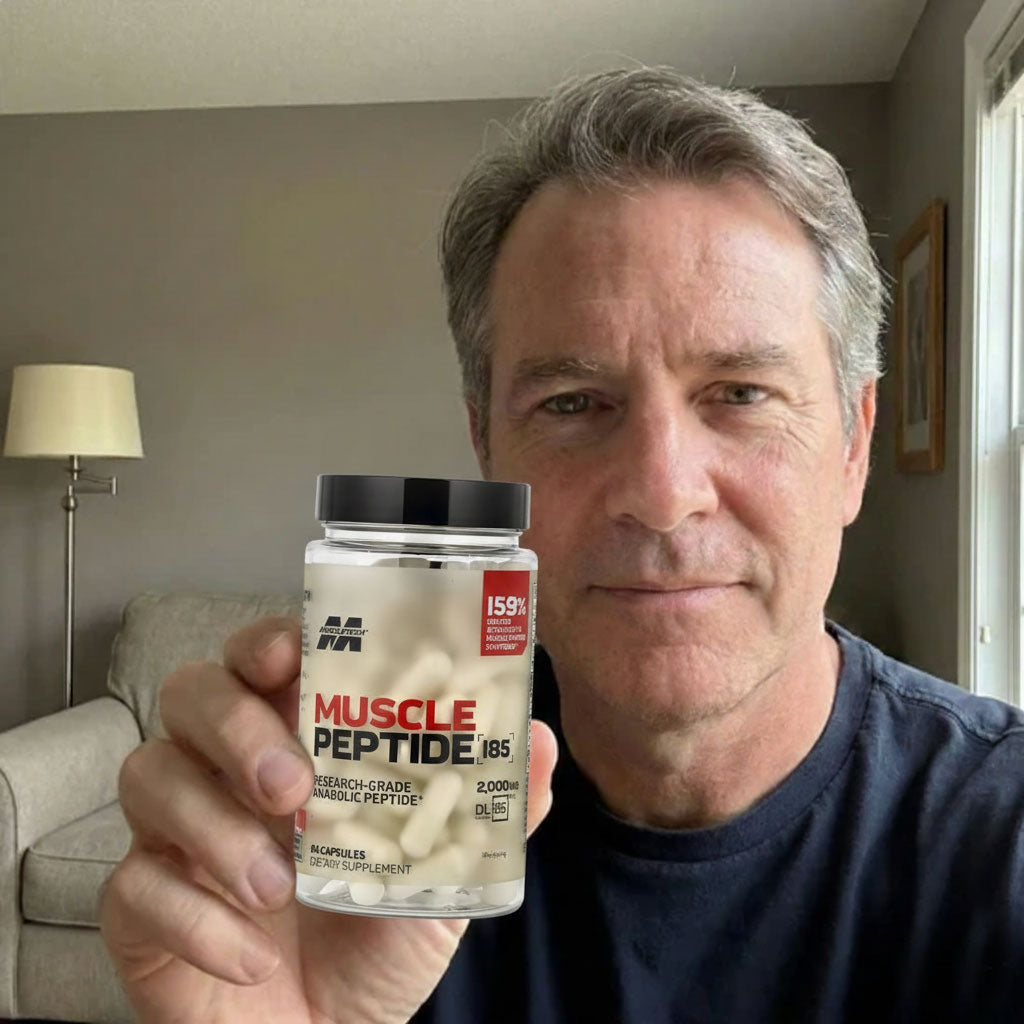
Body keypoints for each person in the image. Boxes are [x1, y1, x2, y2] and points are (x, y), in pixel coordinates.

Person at [100, 67, 1024, 1023]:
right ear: (487, 449)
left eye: (742, 394)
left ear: (855, 446)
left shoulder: (1003, 844)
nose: (662, 496)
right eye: (573, 403)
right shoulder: (378, 822)